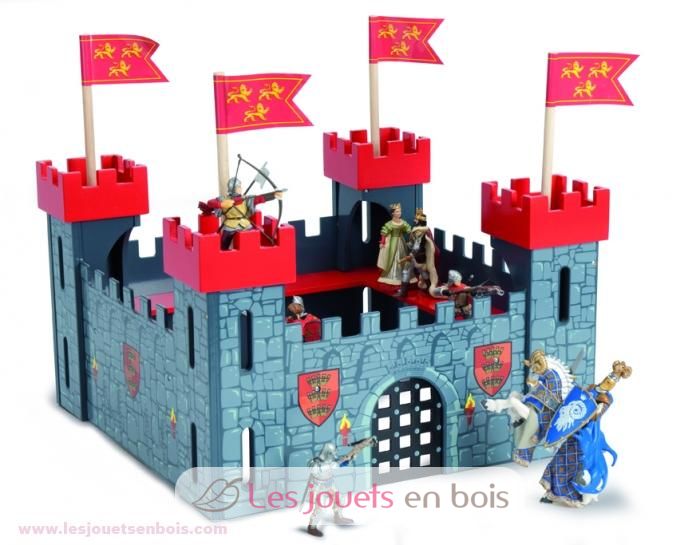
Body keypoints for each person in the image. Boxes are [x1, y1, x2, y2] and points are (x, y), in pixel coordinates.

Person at [201, 176, 284, 250]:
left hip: (245, 224)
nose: (241, 188)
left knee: (254, 237)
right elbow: (210, 202)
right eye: (239, 187)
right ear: (234, 188)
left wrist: (273, 195)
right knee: (223, 245)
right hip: (230, 224)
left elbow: (259, 198)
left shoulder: (245, 199)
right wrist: (221, 204)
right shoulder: (223, 199)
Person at [395, 208, 438, 297]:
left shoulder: (421, 233)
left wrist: (411, 255)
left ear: (419, 221)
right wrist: (404, 244)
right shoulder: (415, 231)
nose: (414, 220)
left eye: (416, 219)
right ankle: (404, 291)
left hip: (418, 256)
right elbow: (412, 243)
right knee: (414, 271)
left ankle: (428, 287)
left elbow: (417, 246)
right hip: (415, 256)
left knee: (418, 271)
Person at [377, 203, 411, 285]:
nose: (399, 213)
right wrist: (382, 242)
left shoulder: (402, 222)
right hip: (393, 241)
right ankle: (392, 274)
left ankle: (404, 275)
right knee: (392, 256)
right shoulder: (390, 224)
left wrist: (412, 235)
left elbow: (408, 230)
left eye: (400, 211)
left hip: (401, 241)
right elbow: (384, 233)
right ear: (393, 213)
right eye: (397, 212)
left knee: (403, 255)